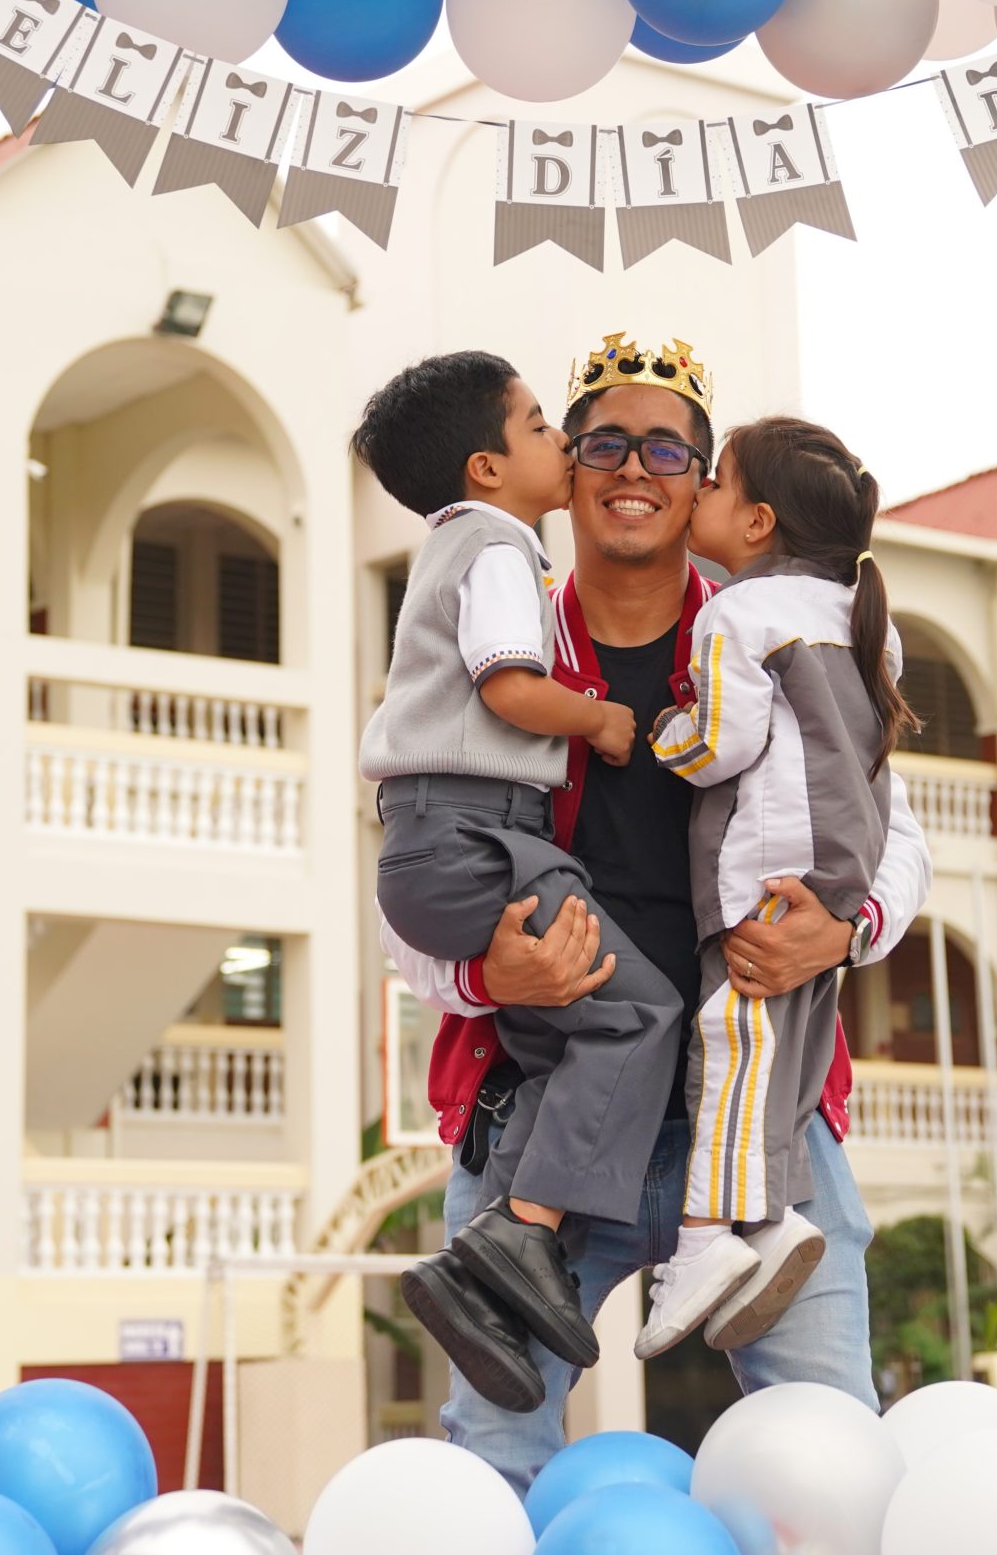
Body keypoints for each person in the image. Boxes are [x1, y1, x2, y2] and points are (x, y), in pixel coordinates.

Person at [381, 333, 934, 1494]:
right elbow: (415, 869)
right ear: (564, 469)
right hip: (541, 1119)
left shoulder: (781, 629)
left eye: (668, 450)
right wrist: (486, 978)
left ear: (709, 491)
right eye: (602, 443)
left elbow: (896, 834)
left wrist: (846, 931)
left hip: (763, 1128)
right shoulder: (498, 635)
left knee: (834, 1465)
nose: (634, 468)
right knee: (494, 1469)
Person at [353, 352, 686, 1414]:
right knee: (639, 1013)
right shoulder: (500, 549)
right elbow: (507, 684)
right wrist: (597, 719)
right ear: (489, 467)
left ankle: (483, 1276)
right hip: (478, 837)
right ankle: (523, 1233)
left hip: (432, 837)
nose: (564, 444)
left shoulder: (455, 546)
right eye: (544, 426)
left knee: (561, 1045)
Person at [635, 416, 919, 1360]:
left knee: (733, 1043)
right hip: (836, 878)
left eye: (714, 480)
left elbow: (722, 743)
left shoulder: (737, 613)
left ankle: (704, 1239)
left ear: (757, 522)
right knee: (786, 1057)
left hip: (763, 869)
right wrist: (850, 922)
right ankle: (774, 1216)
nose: (700, 493)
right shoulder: (865, 623)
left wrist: (664, 735)